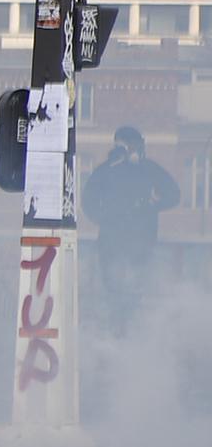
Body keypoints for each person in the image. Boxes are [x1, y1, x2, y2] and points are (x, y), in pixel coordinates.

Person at [83, 126, 180, 335]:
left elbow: (174, 193)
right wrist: (104, 218)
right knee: (113, 295)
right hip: (112, 244)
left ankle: (129, 336)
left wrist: (154, 203)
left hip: (140, 245)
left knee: (135, 294)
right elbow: (87, 201)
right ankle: (115, 337)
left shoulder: (148, 170)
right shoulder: (106, 171)